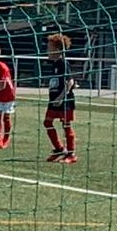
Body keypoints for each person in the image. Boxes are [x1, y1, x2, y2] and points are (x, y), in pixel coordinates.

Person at [42, 32, 78, 164]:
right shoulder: (54, 64)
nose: (47, 51)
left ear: (57, 49)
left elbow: (70, 81)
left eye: (49, 48)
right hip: (54, 100)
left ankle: (71, 153)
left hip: (64, 101)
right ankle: (59, 149)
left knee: (66, 125)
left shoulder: (63, 63)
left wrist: (61, 97)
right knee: (47, 122)